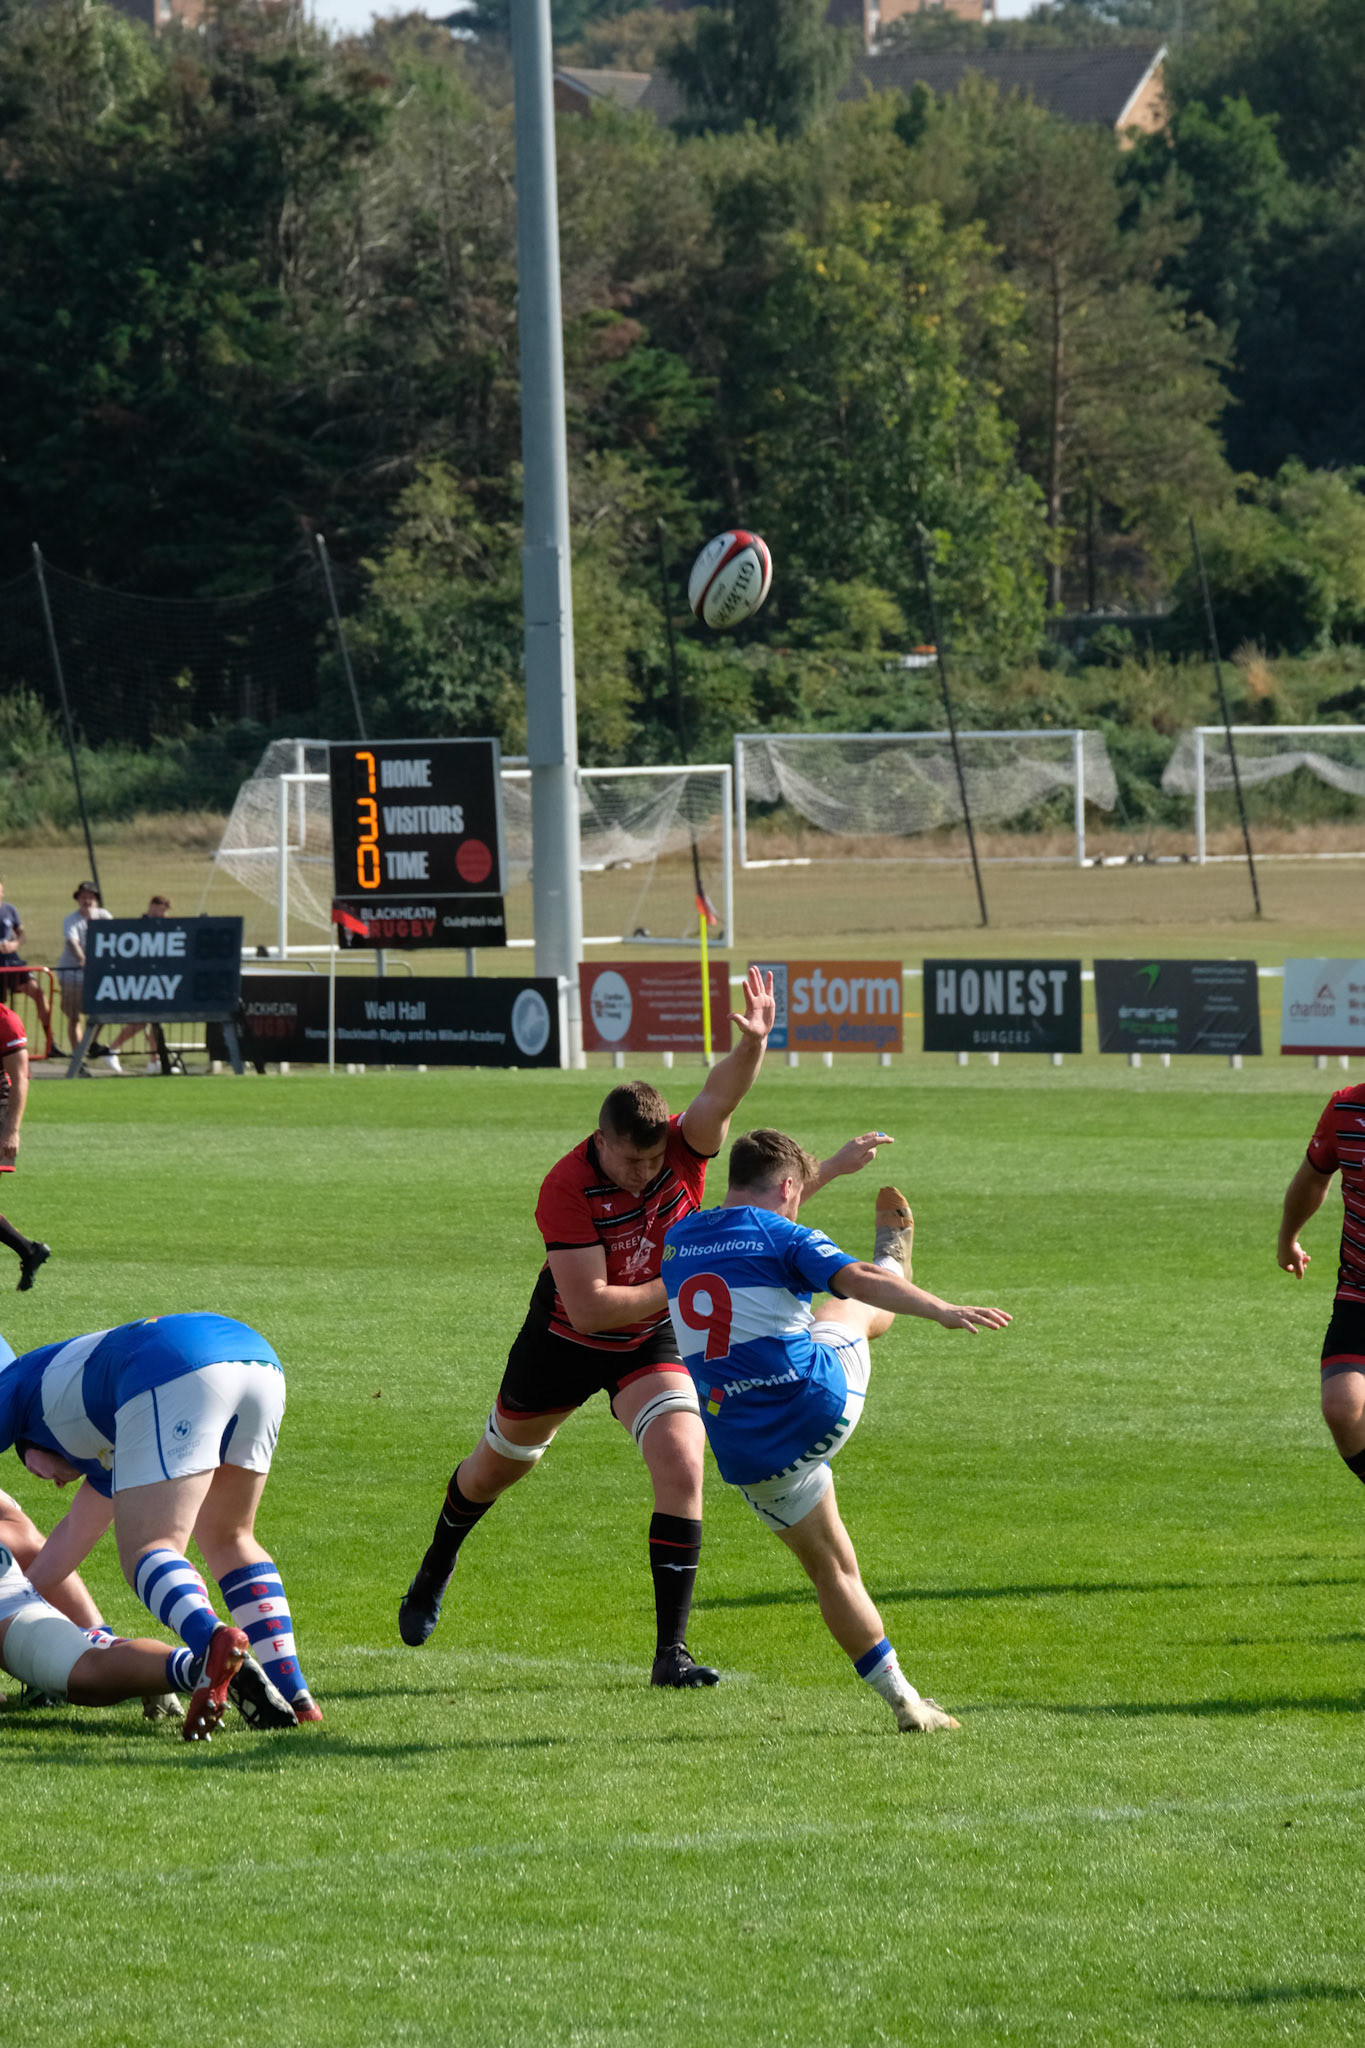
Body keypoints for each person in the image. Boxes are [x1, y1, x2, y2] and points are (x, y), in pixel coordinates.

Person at [400, 967, 883, 1686]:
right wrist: (684, 1280)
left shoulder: (679, 1151)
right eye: (632, 1161)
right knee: (492, 1471)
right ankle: (438, 1560)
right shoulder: (565, 1188)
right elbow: (592, 1307)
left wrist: (752, 1044)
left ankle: (670, 1655)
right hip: (564, 1342)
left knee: (683, 1461)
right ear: (601, 1141)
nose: (645, 1173)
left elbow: (722, 1096)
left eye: (656, 1159)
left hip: (652, 1340)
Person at [661, 1129, 1011, 1733]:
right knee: (845, 1307)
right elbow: (842, 1275)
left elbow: (750, 1225)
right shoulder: (786, 1235)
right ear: (791, 1189)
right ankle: (893, 1255)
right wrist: (939, 1308)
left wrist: (832, 1170)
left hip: (747, 1452)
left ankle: (905, 1702)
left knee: (833, 1570)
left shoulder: (679, 1239)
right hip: (816, 1405)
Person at [0, 1311, 319, 1738]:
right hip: (257, 1360)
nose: (49, 1481)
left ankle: (212, 1642)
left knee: (149, 1549)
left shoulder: (12, 1387)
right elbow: (67, 1543)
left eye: (29, 1466)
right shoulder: (102, 1447)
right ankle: (296, 1696)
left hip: (172, 1366)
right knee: (231, 1538)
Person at [1278, 1078, 1365, 1491]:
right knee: (1341, 1406)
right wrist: (1287, 1239)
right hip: (1359, 1290)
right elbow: (1313, 1179)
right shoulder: (1346, 1108)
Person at [0, 997, 50, 1291]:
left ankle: (29, 1251)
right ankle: (29, 1251)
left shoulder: (6, 1020)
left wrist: (11, 1130)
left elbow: (20, 1078)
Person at [107, 896, 175, 1070]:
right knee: (141, 1021)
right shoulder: (140, 925)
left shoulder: (166, 927)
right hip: (139, 980)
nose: (163, 915)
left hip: (158, 981)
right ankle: (113, 1048)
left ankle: (154, 1059)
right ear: (152, 907)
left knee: (155, 1023)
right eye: (161, 909)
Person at [55, 882, 114, 1070]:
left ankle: (91, 1044)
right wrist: (84, 961)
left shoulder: (104, 916)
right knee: (75, 1017)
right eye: (83, 897)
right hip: (73, 975)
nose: (86, 901)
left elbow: (114, 937)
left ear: (96, 899)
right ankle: (78, 1058)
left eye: (90, 897)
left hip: (97, 975)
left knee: (104, 1012)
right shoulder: (71, 920)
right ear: (78, 899)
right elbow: (73, 944)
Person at [0, 880, 54, 1050]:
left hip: (12, 962)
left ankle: (50, 1042)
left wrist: (14, 944)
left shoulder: (9, 910)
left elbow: (21, 936)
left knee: (37, 991)